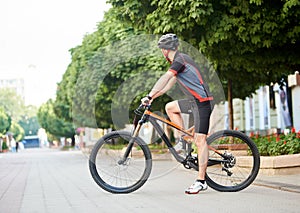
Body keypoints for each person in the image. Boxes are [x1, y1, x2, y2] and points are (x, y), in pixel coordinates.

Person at [141, 33, 214, 194]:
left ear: (165, 50)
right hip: (194, 102)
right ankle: (184, 139)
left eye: (162, 49)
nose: (162, 52)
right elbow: (167, 87)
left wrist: (149, 95)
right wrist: (151, 98)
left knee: (201, 141)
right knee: (170, 107)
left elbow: (166, 77)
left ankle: (201, 181)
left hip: (203, 102)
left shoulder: (180, 60)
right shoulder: (178, 63)